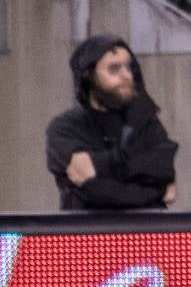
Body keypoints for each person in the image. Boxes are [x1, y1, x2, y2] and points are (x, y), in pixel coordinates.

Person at [46, 34, 178, 210]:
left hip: (146, 233)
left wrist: (98, 164)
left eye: (129, 67)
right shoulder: (65, 128)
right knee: (11, 239)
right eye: (114, 69)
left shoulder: (144, 121)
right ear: (88, 76)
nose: (126, 75)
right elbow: (93, 192)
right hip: (88, 234)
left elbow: (163, 168)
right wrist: (158, 192)